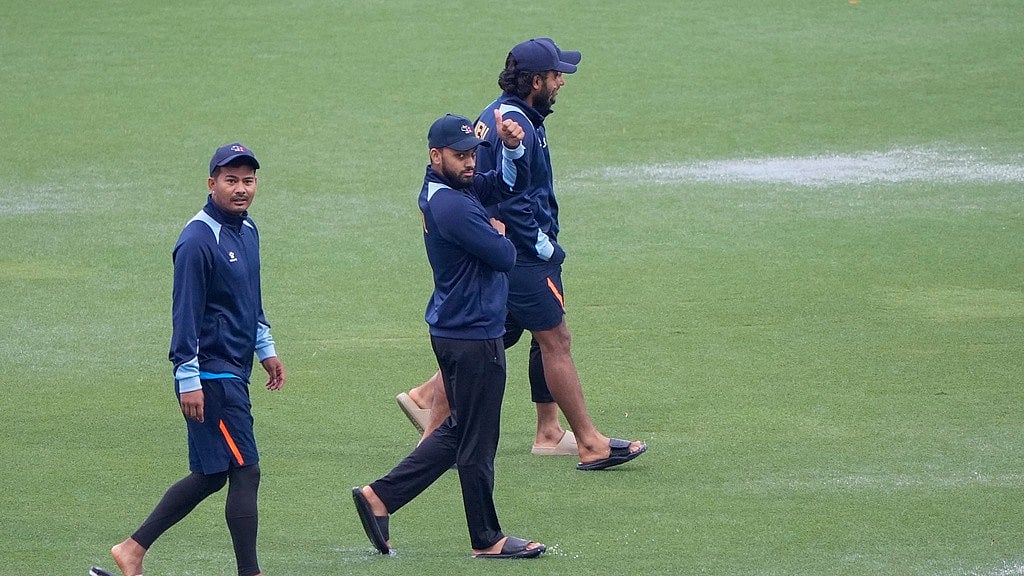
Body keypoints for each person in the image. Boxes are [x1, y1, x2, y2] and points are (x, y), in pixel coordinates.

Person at [395, 38, 647, 471]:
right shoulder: (518, 126)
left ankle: (436, 411)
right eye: (555, 75)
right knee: (555, 339)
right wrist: (540, 244)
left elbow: (495, 184)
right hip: (523, 254)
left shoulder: (505, 116)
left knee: (495, 339)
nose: (561, 82)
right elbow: (512, 198)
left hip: (510, 249)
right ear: (535, 81)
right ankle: (589, 442)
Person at [352, 112, 545, 559]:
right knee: (478, 440)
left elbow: (508, 186)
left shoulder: (452, 189)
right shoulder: (453, 205)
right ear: (435, 156)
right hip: (474, 335)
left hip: (458, 329)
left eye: (473, 153)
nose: (470, 162)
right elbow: (505, 256)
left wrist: (513, 148)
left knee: (461, 431)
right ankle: (486, 538)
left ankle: (379, 497)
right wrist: (499, 231)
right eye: (460, 156)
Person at [92, 143, 286, 576]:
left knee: (212, 474)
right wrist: (188, 378)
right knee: (246, 470)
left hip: (233, 369)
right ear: (211, 183)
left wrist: (265, 348)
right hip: (212, 376)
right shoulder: (198, 240)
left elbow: (249, 297)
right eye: (231, 180)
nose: (241, 189)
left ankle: (132, 549)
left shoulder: (247, 229)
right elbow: (186, 314)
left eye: (248, 180)